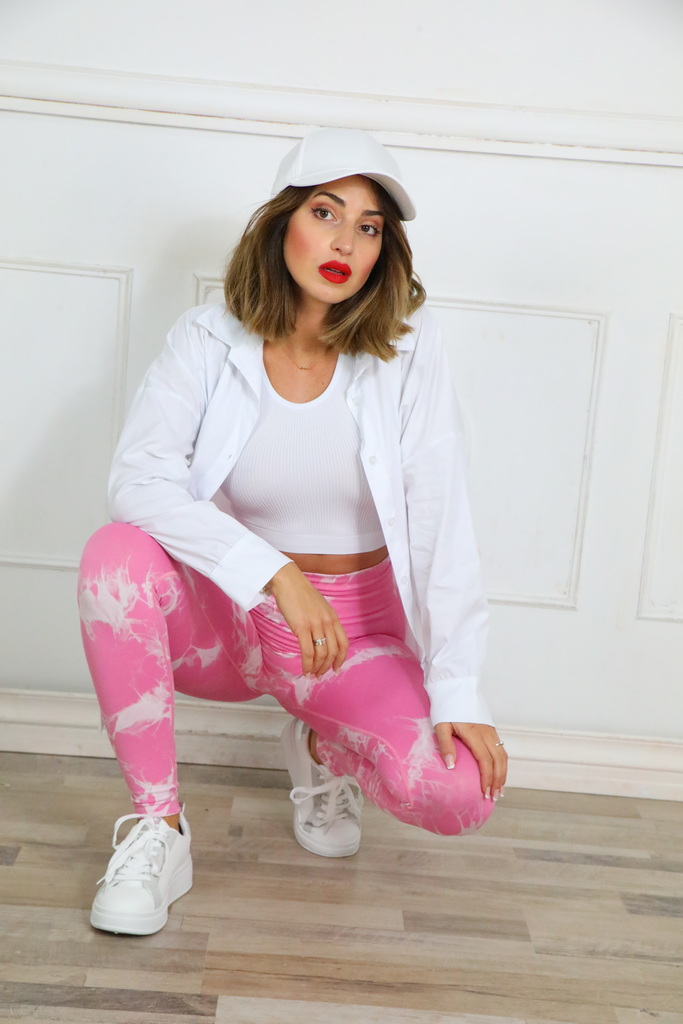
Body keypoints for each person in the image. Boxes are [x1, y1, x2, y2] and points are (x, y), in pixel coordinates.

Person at [78, 127, 507, 936]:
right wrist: (272, 572)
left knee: (460, 792)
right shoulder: (208, 337)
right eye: (324, 212)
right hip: (230, 621)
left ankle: (321, 745)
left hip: (352, 638)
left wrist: (459, 687)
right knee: (114, 558)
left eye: (369, 227)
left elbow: (442, 517)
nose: (345, 242)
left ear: (385, 249)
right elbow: (136, 480)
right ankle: (157, 828)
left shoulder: (408, 348)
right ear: (281, 222)